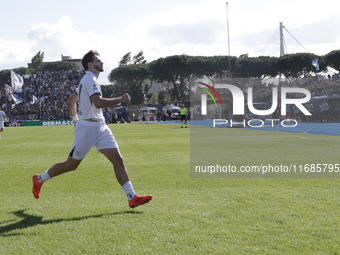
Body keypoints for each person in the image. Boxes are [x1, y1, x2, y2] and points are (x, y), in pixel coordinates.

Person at [32, 50, 152, 208]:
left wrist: (75, 119)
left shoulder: (88, 80)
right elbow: (98, 103)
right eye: (98, 60)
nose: (101, 62)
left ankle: (132, 197)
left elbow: (71, 101)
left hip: (100, 126)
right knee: (71, 165)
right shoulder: (90, 79)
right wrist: (120, 99)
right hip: (88, 128)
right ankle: (39, 179)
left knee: (118, 160)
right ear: (90, 64)